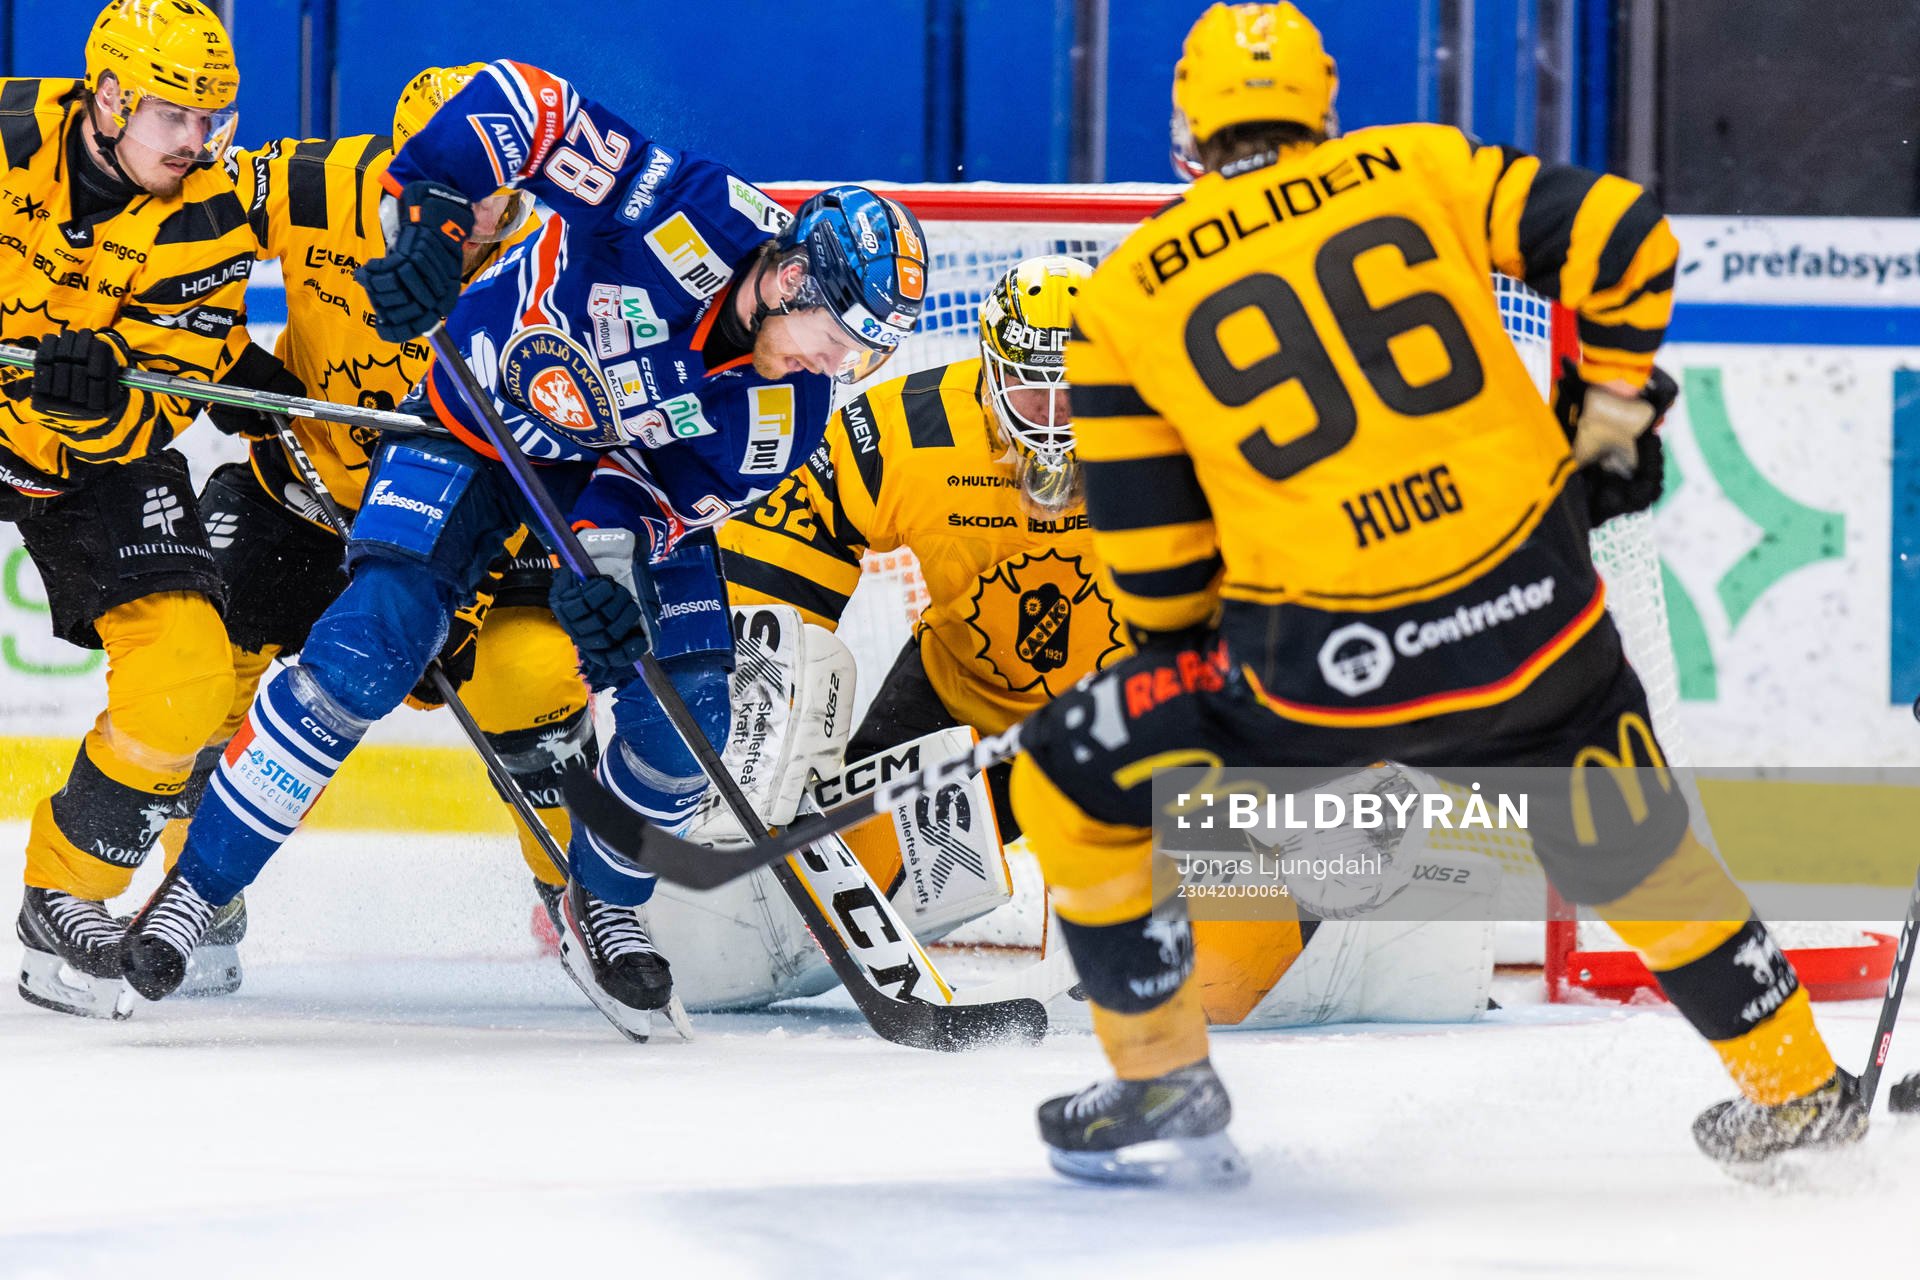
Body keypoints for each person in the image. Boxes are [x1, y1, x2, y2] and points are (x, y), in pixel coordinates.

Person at [1010, 1, 1856, 1183]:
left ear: (1186, 130)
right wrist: (1609, 415)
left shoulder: (1121, 300)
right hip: (1533, 617)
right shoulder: (1415, 165)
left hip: (1319, 672)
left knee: (1063, 768)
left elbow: (1156, 581)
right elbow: (1626, 235)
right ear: (1324, 107)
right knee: (1629, 835)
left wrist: (1210, 672)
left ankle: (1160, 1072)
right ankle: (1798, 1083)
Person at [120, 60, 928, 1043]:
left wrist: (611, 566)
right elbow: (530, 105)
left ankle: (605, 904)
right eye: (839, 336)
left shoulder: (786, 413)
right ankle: (197, 889)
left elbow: (663, 498)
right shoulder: (687, 211)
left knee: (689, 720)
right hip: (476, 426)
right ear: (792, 277)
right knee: (367, 645)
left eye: (863, 353)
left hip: (604, 485)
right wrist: (433, 211)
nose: (837, 365)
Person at [156, 63, 586, 998]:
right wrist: (218, 352)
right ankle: (202, 895)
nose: (471, 215)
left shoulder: (562, 248)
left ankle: (578, 898)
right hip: (303, 497)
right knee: (203, 670)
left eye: (489, 190)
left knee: (532, 683)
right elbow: (169, 212)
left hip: (473, 527)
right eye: (442, 187)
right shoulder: (312, 184)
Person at [6, 0, 253, 1021]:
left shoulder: (209, 222)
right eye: (173, 114)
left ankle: (66, 893)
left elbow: (165, 403)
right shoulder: (8, 134)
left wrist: (100, 408)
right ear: (108, 98)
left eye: (212, 118)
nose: (196, 141)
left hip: (78, 457)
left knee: (189, 672)